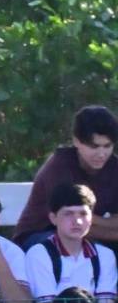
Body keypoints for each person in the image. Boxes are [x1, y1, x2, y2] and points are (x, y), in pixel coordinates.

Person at [15, 104, 118, 243]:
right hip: (40, 235)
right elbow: (68, 224)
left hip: (84, 235)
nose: (101, 154)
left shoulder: (114, 167)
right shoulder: (59, 166)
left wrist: (94, 219)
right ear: (76, 141)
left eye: (107, 146)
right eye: (94, 146)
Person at [25, 183, 117, 303]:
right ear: (53, 218)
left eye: (83, 214)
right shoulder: (39, 254)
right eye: (68, 214)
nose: (77, 221)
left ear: (91, 218)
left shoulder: (105, 256)